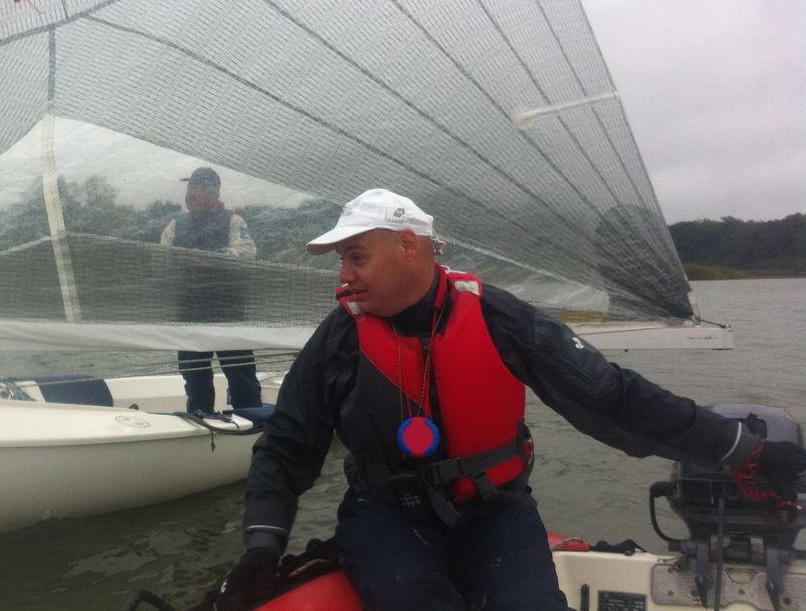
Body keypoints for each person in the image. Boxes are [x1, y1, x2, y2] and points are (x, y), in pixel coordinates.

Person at [216, 188, 806, 610]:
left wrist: (737, 448)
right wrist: (262, 546)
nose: (342, 276)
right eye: (342, 260)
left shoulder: (499, 318)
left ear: (408, 246)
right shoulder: (340, 336)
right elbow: (289, 444)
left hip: (495, 512)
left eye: (355, 257)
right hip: (384, 518)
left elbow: (612, 398)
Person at [160, 167, 261, 414]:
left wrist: (207, 259)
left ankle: (252, 419)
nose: (190, 193)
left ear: (214, 192)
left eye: (197, 187)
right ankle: (200, 419)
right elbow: (161, 258)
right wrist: (178, 261)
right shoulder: (175, 224)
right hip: (189, 312)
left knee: (241, 374)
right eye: (189, 187)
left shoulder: (233, 221)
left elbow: (247, 254)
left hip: (228, 311)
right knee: (194, 377)